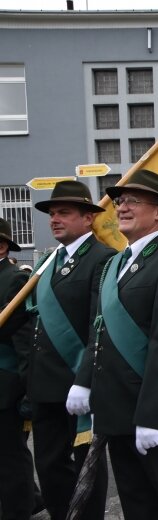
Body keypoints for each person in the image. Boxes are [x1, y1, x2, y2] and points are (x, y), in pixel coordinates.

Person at [69, 169, 158, 519]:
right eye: (119, 201)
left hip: (155, 411)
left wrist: (151, 415)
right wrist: (84, 381)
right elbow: (98, 330)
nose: (122, 208)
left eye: (132, 201)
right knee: (136, 505)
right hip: (115, 406)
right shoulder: (114, 265)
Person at [27, 180, 112, 520]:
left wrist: (86, 379)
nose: (54, 219)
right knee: (48, 466)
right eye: (52, 213)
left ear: (88, 218)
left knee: (86, 469)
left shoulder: (103, 259)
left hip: (79, 384)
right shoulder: (47, 263)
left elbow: (100, 325)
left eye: (64, 212)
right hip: (44, 385)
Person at [0, 217, 36, 519]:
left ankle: (19, 510)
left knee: (10, 455)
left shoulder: (14, 279)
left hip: (5, 384)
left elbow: (25, 339)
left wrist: (27, 390)